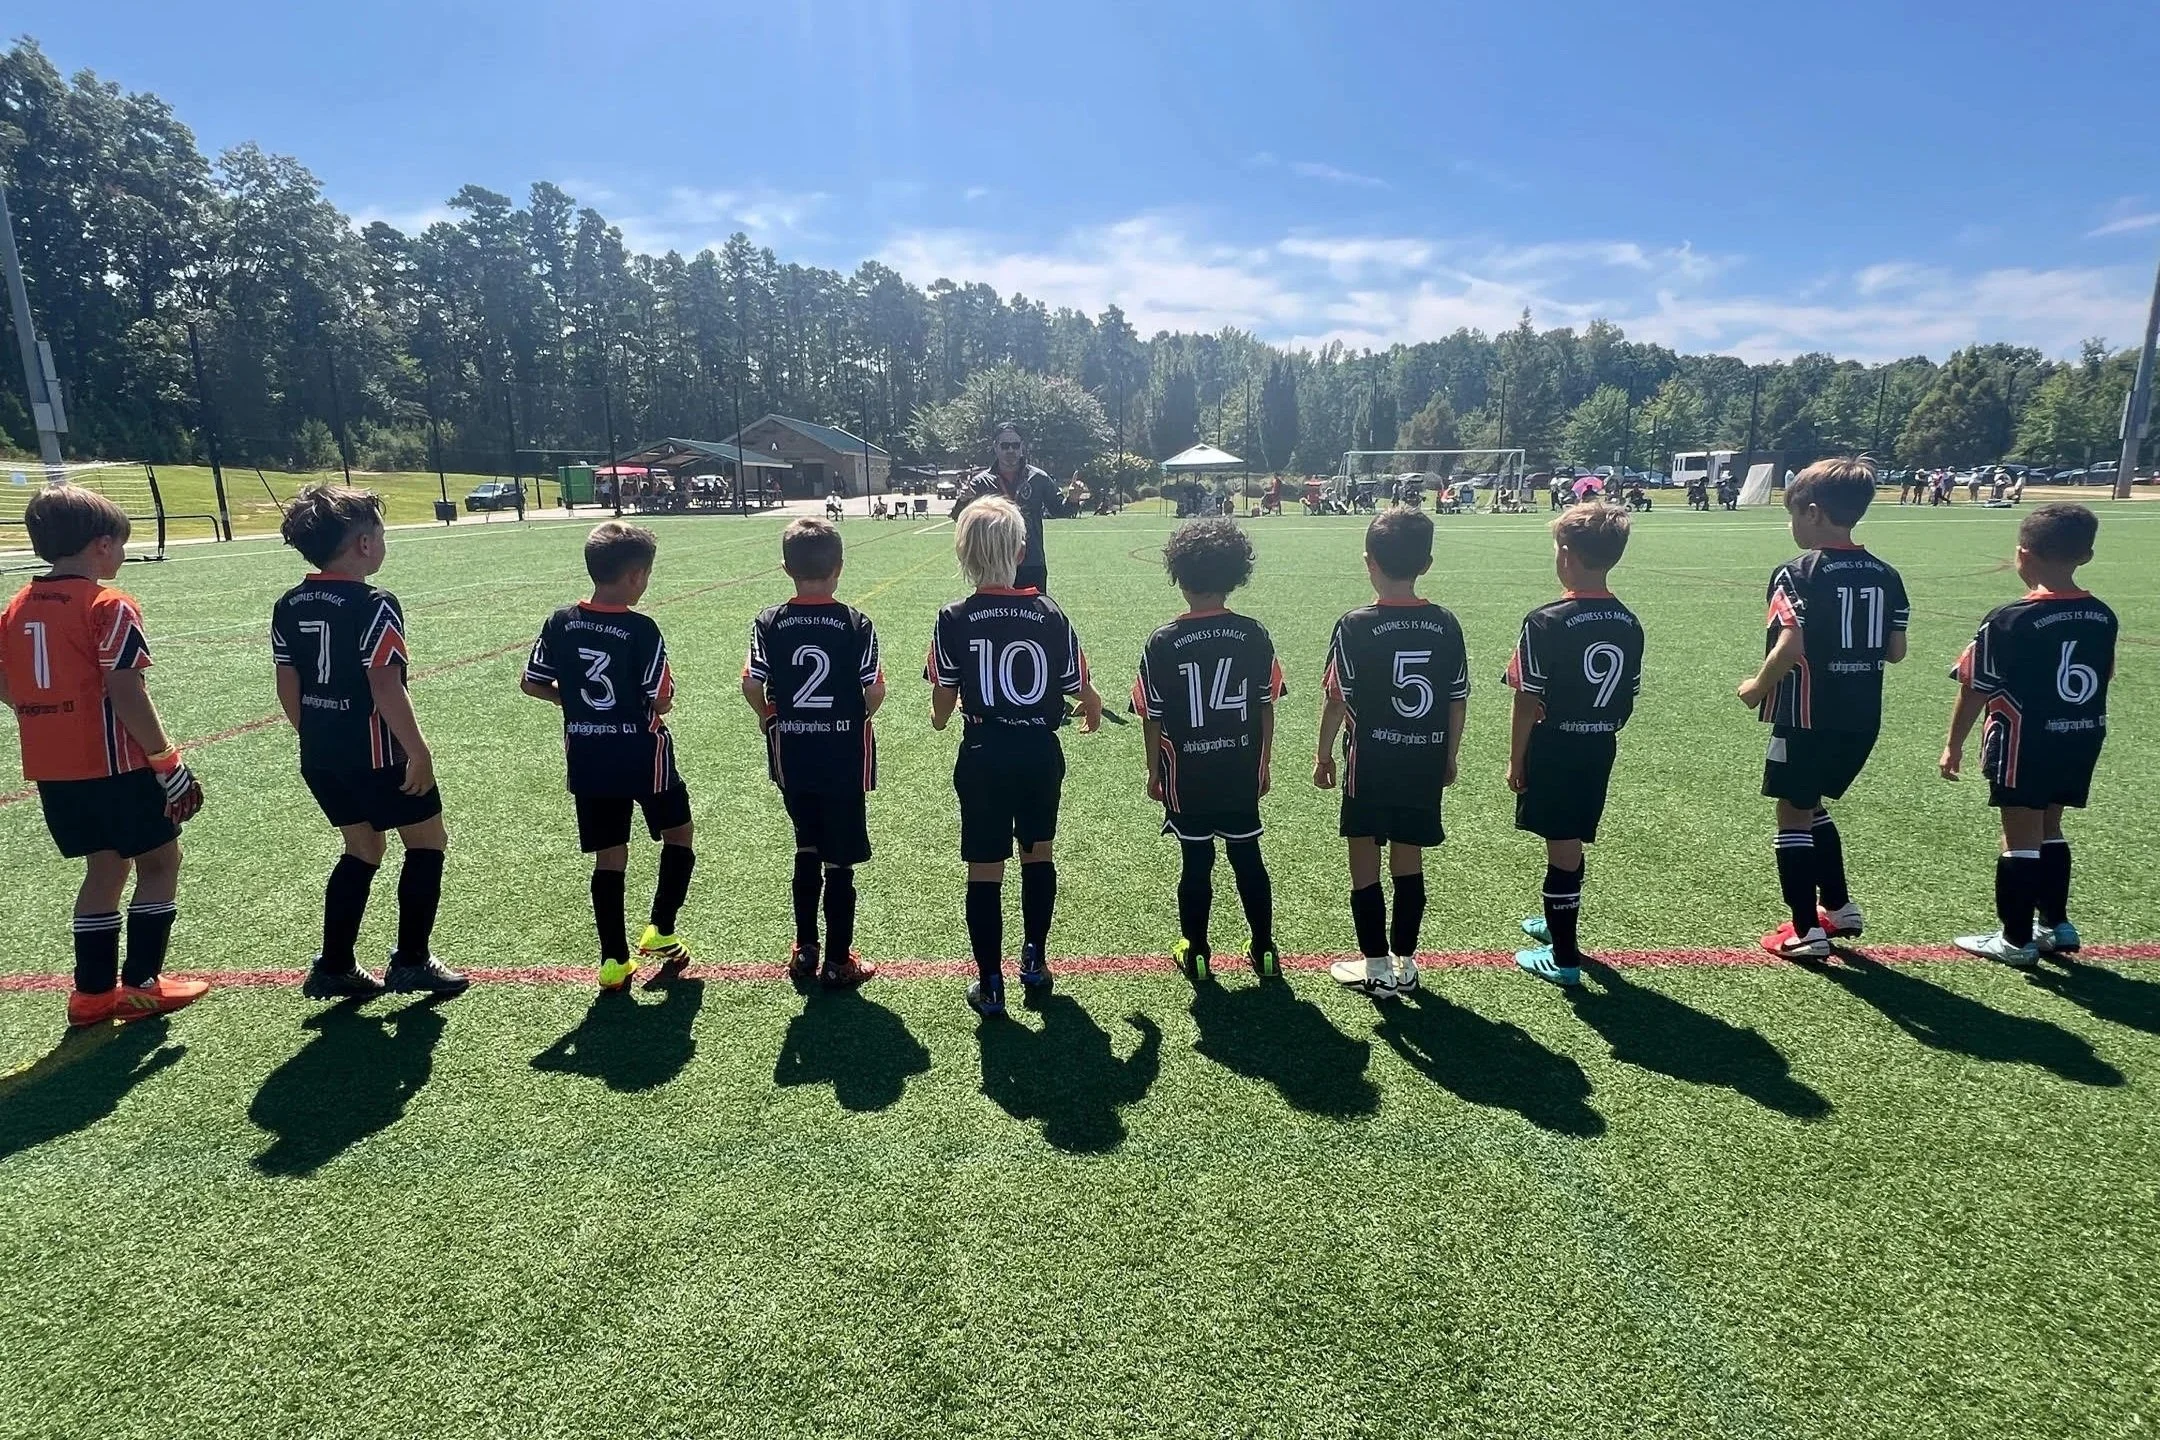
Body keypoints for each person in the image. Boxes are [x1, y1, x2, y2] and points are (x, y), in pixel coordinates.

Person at [0, 486, 208, 1027]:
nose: (121, 555)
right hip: (116, 765)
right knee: (160, 862)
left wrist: (48, 711)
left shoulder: (17, 606)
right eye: (120, 543)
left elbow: (8, 682)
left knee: (104, 866)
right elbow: (126, 690)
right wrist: (166, 761)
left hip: (53, 767)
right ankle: (141, 985)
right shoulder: (109, 604)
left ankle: (91, 995)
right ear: (100, 545)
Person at [273, 485, 468, 1000]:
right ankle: (412, 960)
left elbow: (287, 685)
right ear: (363, 544)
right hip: (379, 753)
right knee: (427, 843)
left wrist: (315, 736)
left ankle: (335, 964)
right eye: (380, 533)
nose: (384, 543)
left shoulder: (289, 603)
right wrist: (419, 752)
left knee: (362, 848)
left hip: (320, 754)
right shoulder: (375, 603)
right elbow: (385, 685)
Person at [928, 497, 1102, 1017]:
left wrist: (942, 719)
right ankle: (1035, 959)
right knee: (1037, 853)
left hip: (983, 751)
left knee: (984, 869)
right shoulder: (1048, 612)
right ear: (1022, 551)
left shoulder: (954, 616)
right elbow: (1079, 686)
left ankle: (989, 982)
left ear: (962, 552)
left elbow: (943, 698)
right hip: (1038, 751)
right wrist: (1091, 707)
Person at [1736, 458, 1910, 960]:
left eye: (1792, 514)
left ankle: (1804, 931)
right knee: (1812, 807)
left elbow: (1790, 646)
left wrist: (1755, 686)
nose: (1791, 526)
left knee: (1791, 815)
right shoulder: (1886, 574)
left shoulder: (1797, 573)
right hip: (1861, 716)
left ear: (1812, 513)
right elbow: (1895, 652)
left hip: (1807, 715)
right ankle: (1838, 907)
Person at [521, 522, 697, 991]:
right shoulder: (640, 628)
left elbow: (532, 682)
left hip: (589, 755)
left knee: (609, 856)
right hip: (643, 754)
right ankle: (660, 928)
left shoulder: (561, 621)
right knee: (679, 834)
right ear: (637, 576)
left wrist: (571, 701)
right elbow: (659, 697)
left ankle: (613, 961)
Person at [1940, 504, 2115, 967]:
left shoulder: (2010, 618)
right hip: (2080, 736)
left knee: (2019, 835)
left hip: (2024, 741)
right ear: (2087, 555)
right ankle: (2056, 924)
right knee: (2051, 827)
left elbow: (1975, 685)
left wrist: (1954, 743)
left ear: (2022, 554)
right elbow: (2106, 673)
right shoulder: (2102, 615)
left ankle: (2015, 940)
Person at [1314, 507, 1469, 999]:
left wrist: (1323, 755)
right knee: (1409, 857)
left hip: (1370, 762)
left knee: (1363, 853)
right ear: (1426, 563)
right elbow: (1455, 698)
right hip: (1423, 759)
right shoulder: (1446, 624)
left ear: (1368, 561)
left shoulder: (1355, 624)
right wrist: (1449, 754)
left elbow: (1337, 697)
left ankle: (1375, 965)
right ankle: (1407, 963)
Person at [1133, 518, 1284, 984]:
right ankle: (1264, 949)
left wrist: (1153, 770)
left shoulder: (1164, 640)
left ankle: (1197, 951)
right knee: (1247, 856)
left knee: (1196, 862)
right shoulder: (1253, 632)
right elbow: (1266, 704)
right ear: (1236, 574)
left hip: (1188, 772)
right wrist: (1264, 761)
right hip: (1239, 765)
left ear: (1178, 575)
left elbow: (1151, 714)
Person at [741, 518, 883, 989]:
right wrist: (856, 713)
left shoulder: (770, 620)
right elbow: (874, 690)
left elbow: (751, 682)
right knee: (839, 858)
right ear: (839, 567)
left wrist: (767, 715)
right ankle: (841, 960)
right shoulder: (855, 622)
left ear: (786, 568)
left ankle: (805, 948)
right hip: (842, 750)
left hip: (793, 751)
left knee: (806, 843)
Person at [1507, 505, 1644, 987]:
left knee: (1562, 847)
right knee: (1568, 838)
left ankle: (1565, 958)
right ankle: (1555, 919)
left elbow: (1527, 698)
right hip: (1599, 744)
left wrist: (1516, 758)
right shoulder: (1629, 622)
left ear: (1565, 555)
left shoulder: (1547, 620)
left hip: (1557, 745)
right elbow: (1627, 698)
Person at [958, 422, 1085, 593]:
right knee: (995, 617)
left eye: (1015, 445)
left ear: (1022, 447)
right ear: (995, 447)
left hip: (1032, 562)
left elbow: (1060, 510)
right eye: (1005, 445)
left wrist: (1073, 498)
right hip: (992, 564)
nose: (1010, 450)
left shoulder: (1039, 478)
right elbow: (961, 519)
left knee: (1033, 616)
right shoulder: (980, 482)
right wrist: (963, 501)